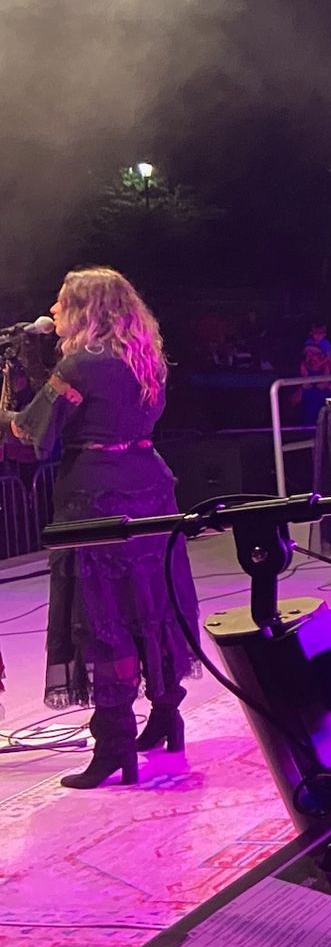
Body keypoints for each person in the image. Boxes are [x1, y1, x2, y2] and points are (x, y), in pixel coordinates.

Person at [0, 268, 202, 788]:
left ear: (86, 309)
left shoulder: (80, 364)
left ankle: (114, 741)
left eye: (63, 301)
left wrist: (12, 396)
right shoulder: (142, 357)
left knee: (102, 613)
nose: (55, 308)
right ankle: (165, 717)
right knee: (151, 603)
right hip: (150, 489)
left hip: (95, 498)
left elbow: (30, 433)